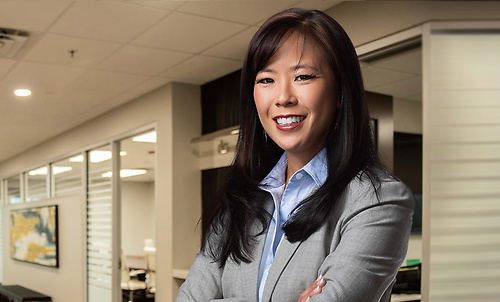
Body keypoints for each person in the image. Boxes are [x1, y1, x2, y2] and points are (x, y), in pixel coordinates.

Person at [176, 8, 414, 302]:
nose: (283, 97)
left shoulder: (379, 200)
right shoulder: (238, 202)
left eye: (303, 76)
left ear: (340, 91)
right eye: (266, 80)